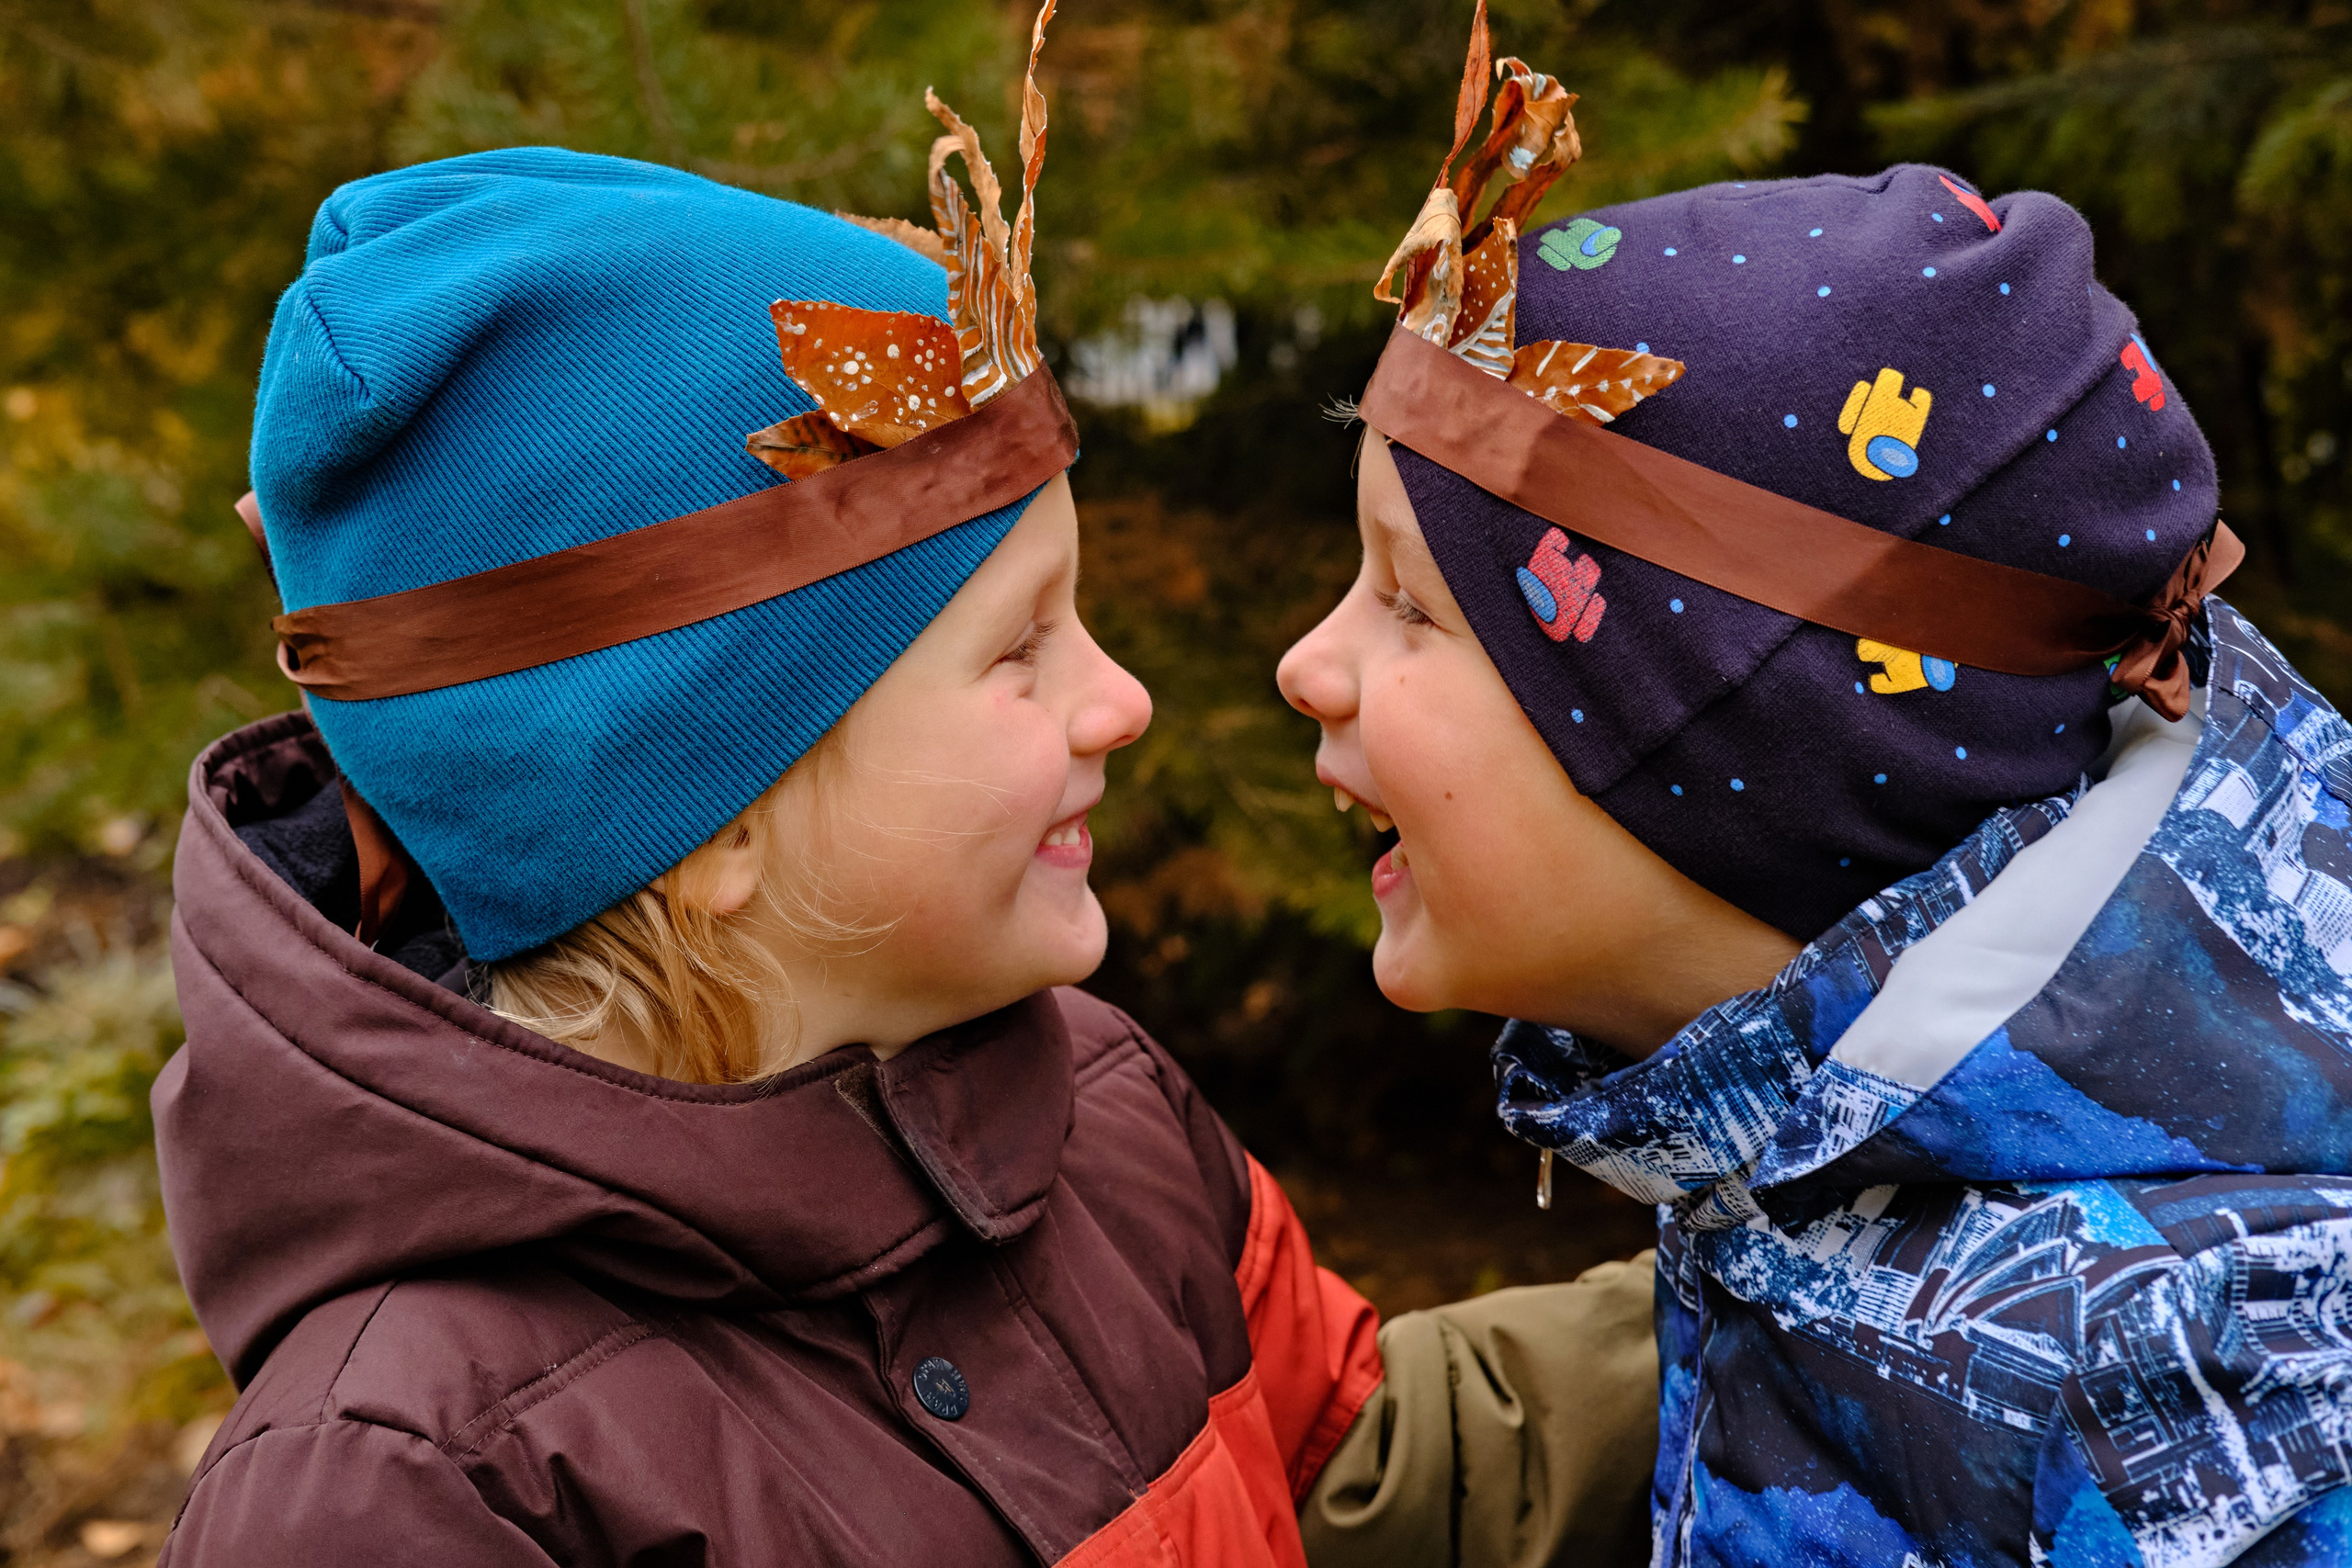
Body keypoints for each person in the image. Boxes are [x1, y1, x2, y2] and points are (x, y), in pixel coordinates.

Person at [152, 6, 1657, 1563]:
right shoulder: (412, 1488)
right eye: (1021, 648)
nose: (1123, 701)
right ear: (712, 810)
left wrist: (1786, 1286)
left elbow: (1362, 1474)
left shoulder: (1098, 1116)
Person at [1279, 3, 2352, 1562]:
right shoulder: (1819, 1165)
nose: (1308, 664)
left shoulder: (2203, 1423)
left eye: (1411, 605)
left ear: (1740, 752)